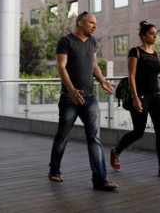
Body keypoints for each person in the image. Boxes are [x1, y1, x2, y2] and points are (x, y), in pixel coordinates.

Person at [48, 11, 118, 191]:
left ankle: (100, 180)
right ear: (80, 23)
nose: (94, 26)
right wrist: (71, 90)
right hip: (69, 98)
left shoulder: (93, 42)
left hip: (90, 98)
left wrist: (102, 81)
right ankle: (54, 169)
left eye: (95, 23)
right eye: (91, 23)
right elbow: (61, 67)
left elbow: (94, 65)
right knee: (62, 135)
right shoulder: (65, 41)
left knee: (95, 138)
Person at [110, 21, 160, 180]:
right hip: (140, 96)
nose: (155, 36)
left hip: (156, 95)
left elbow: (154, 76)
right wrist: (135, 97)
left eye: (156, 33)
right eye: (151, 33)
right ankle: (116, 151)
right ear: (143, 35)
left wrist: (157, 92)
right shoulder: (135, 52)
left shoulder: (156, 55)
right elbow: (131, 76)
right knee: (139, 131)